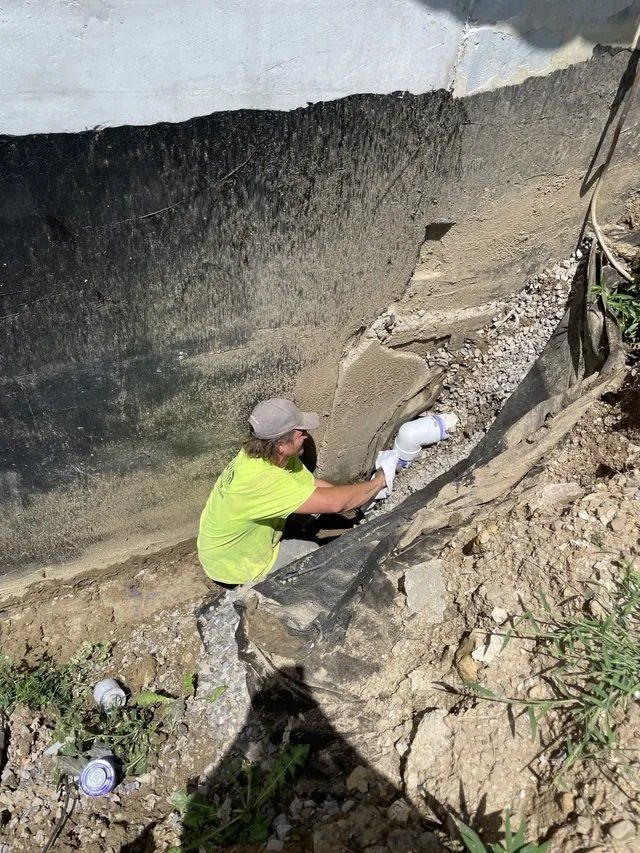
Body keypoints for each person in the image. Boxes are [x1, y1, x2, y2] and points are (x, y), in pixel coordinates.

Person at [197, 398, 387, 585]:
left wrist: (360, 497)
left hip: (228, 546)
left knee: (311, 509)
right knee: (313, 555)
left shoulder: (264, 454)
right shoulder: (263, 480)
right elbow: (335, 503)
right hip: (232, 565)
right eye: (300, 433)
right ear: (281, 444)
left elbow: (314, 486)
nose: (306, 436)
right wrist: (379, 481)